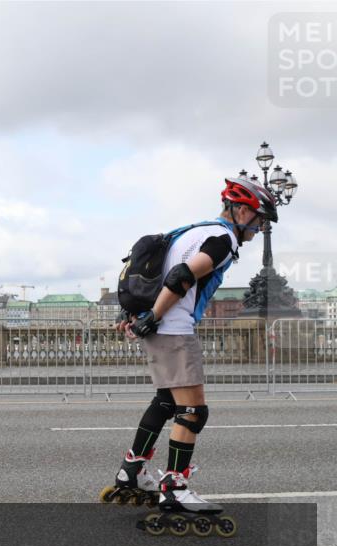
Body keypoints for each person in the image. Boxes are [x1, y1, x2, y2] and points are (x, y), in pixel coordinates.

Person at [105, 177, 276, 521]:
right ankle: (176, 487)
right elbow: (180, 277)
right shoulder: (223, 238)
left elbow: (156, 271)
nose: (258, 229)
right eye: (259, 220)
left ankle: (132, 470)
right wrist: (153, 317)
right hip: (173, 329)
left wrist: (137, 315)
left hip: (160, 327)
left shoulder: (192, 231)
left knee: (166, 401)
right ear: (241, 210)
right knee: (193, 412)